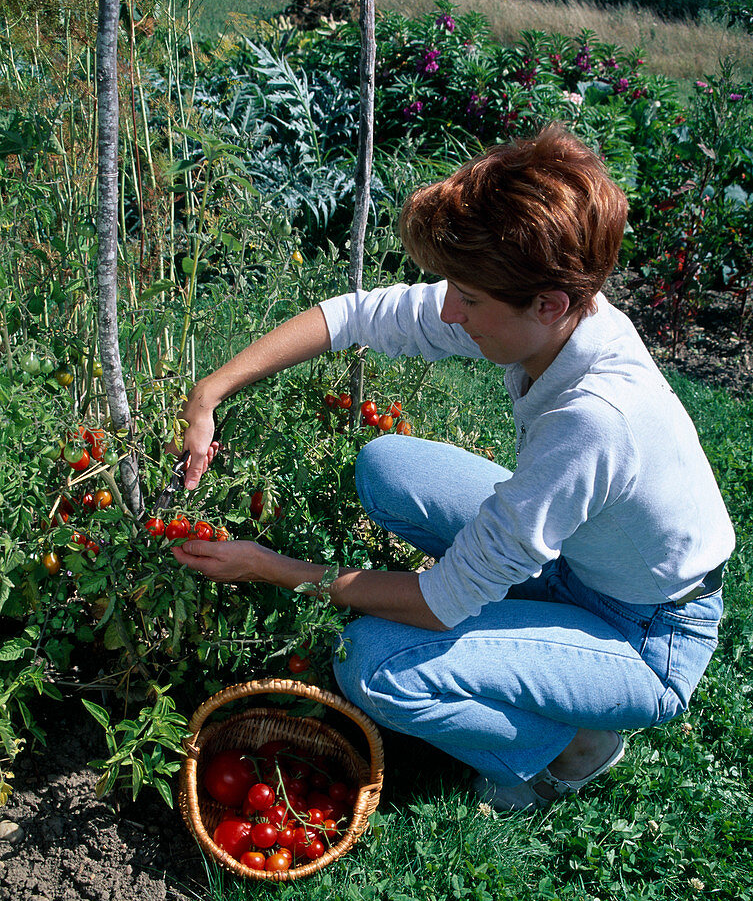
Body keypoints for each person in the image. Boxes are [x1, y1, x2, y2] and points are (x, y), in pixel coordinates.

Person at [171, 124, 735, 812]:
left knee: (371, 663)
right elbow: (356, 315)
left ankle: (559, 753)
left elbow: (441, 605)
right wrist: (211, 392)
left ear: (548, 305)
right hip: (584, 566)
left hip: (648, 637)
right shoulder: (552, 312)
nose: (445, 309)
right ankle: (538, 646)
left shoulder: (594, 419)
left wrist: (273, 568)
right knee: (387, 465)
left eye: (467, 299)